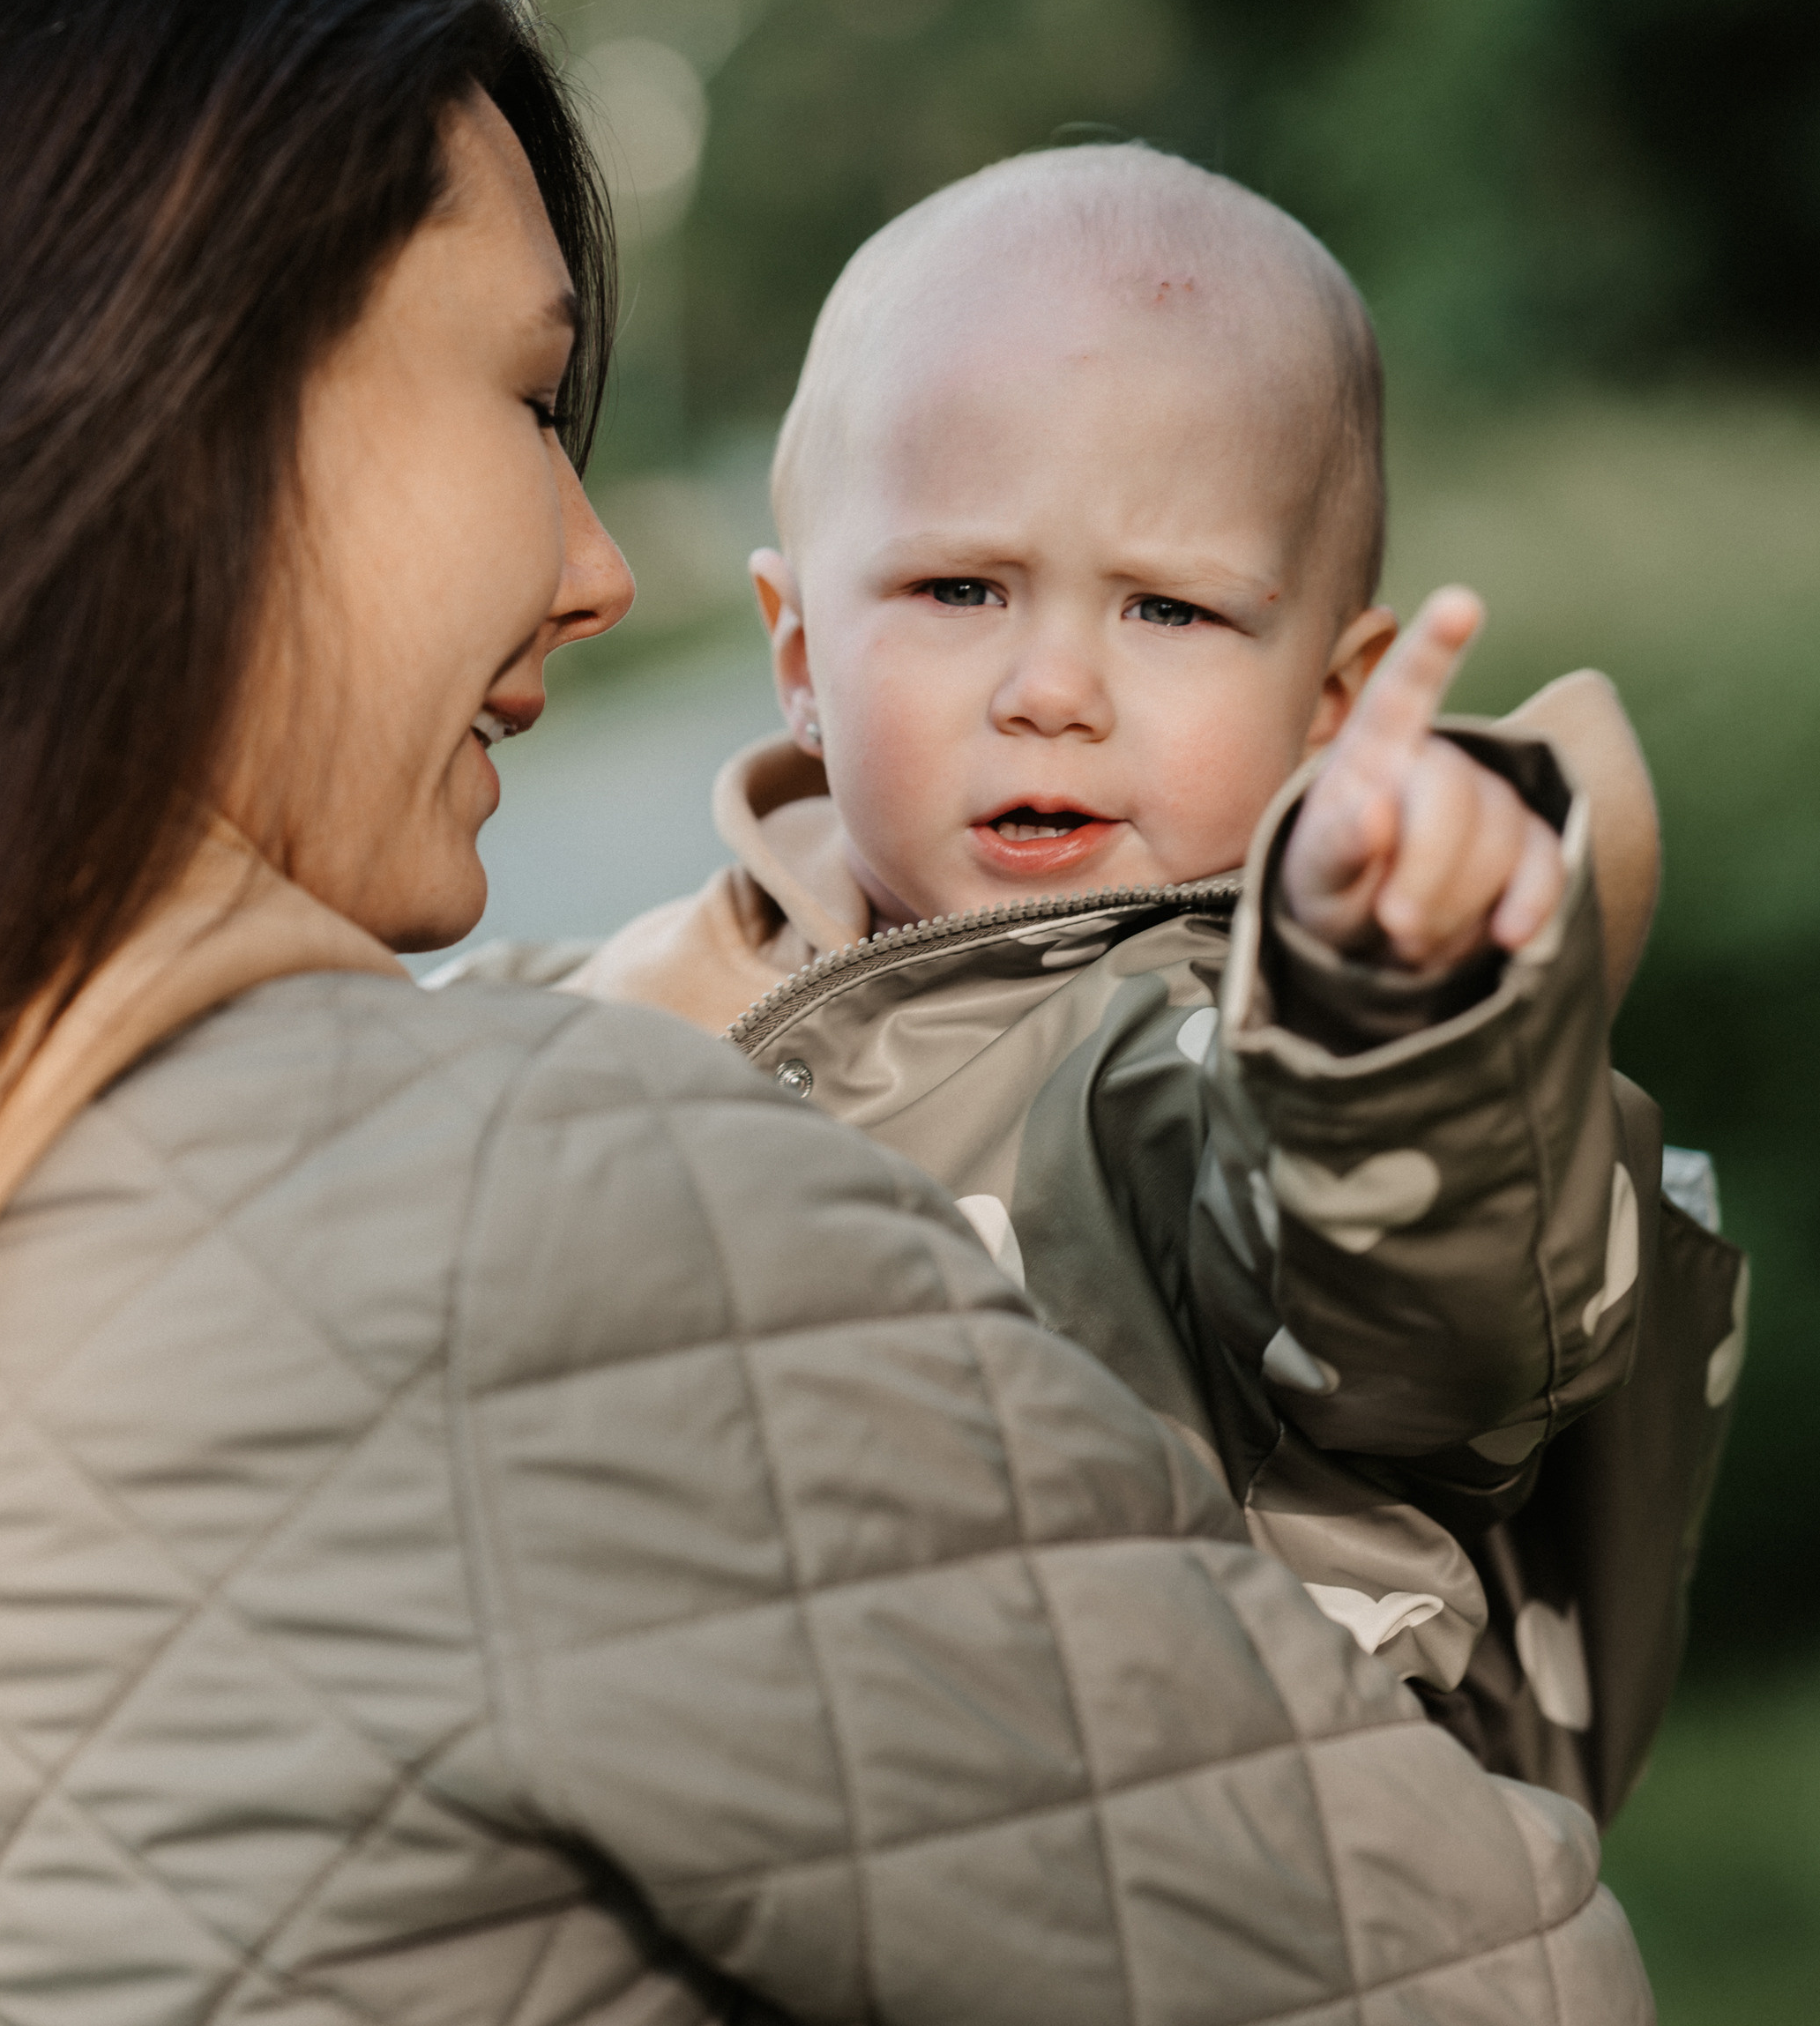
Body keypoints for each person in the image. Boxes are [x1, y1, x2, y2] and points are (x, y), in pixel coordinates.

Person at [0, 0, 1660, 2026]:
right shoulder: (501, 1207)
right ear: (173, 388)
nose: (579, 556)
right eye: (533, 398)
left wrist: (1415, 997)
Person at [563, 147, 1744, 1823]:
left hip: (1228, 1933)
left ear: (1331, 702)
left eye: (1172, 610)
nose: (1052, 688)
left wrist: (1387, 1010)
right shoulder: (629, 996)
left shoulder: (1206, 1063)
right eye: (958, 587)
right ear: (803, 654)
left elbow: (1424, 1313)